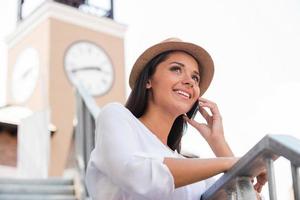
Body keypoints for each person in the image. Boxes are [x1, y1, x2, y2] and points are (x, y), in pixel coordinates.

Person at [85, 38, 266, 200]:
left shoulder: (190, 169)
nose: (190, 81)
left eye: (195, 77)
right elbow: (136, 176)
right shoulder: (116, 116)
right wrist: (228, 162)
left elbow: (246, 196)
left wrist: (218, 142)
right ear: (148, 80)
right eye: (176, 69)